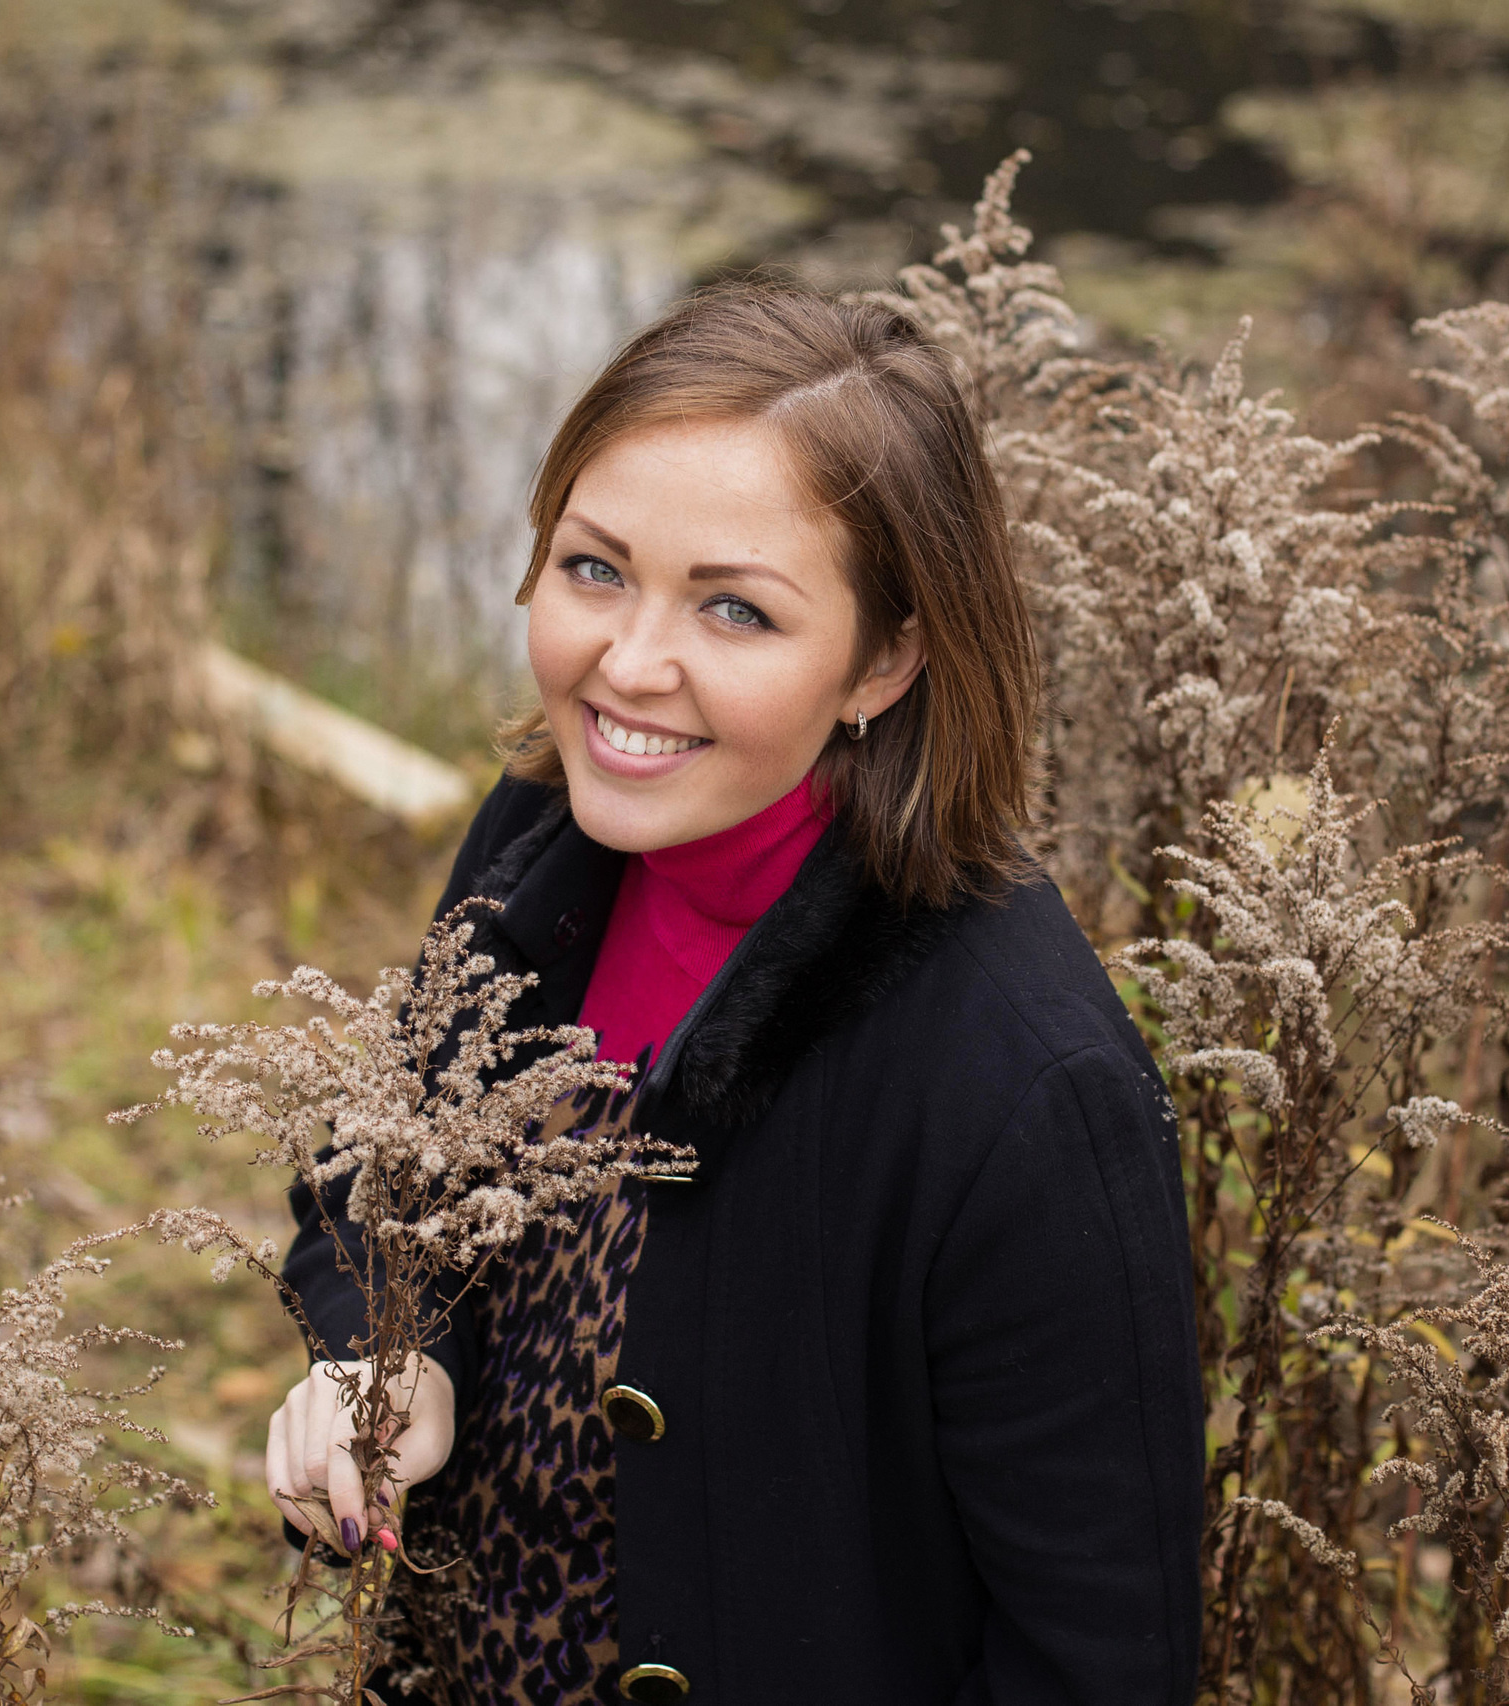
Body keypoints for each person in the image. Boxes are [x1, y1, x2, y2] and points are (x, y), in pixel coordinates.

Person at [265, 283, 1204, 1705]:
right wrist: (393, 1363)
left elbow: (1097, 1665)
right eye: (594, 568)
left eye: (735, 608)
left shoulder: (1025, 1087)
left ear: (884, 657)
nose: (629, 665)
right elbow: (378, 1173)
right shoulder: (540, 836)